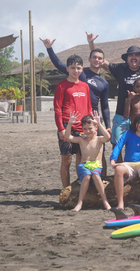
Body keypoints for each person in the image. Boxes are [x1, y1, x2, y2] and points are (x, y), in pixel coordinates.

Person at [87, 28, 140, 145]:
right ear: (127, 59)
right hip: (121, 115)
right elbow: (99, 60)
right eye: (130, 55)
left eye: (136, 55)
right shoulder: (120, 69)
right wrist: (91, 43)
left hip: (139, 117)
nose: (133, 57)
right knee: (116, 145)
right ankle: (119, 164)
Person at [40, 35, 111, 176]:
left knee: (92, 157)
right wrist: (49, 49)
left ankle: (93, 184)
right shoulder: (82, 75)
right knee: (68, 160)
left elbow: (105, 106)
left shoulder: (103, 82)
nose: (76, 70)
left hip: (90, 121)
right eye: (94, 57)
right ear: (89, 60)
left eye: (100, 58)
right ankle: (70, 189)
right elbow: (59, 64)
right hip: (70, 123)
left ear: (103, 61)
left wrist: (106, 124)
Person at [53, 54, 92, 188]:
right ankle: (66, 189)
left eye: (78, 68)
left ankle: (80, 187)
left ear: (82, 69)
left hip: (82, 128)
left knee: (81, 159)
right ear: (68, 69)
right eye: (73, 68)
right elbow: (57, 109)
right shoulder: (61, 86)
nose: (76, 71)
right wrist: (61, 129)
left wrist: (91, 126)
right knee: (66, 160)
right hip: (67, 126)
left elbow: (89, 108)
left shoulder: (85, 86)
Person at [110, 113, 140, 209]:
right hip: (128, 165)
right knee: (119, 169)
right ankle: (120, 203)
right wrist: (113, 160)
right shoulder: (128, 134)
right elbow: (118, 146)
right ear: (135, 123)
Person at [64, 111, 111, 212]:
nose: (87, 131)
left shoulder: (99, 139)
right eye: (84, 129)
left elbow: (108, 137)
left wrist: (99, 123)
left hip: (96, 165)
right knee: (87, 176)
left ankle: (105, 200)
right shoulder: (82, 140)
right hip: (84, 165)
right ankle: (79, 202)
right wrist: (70, 124)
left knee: (95, 176)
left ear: (95, 128)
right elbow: (68, 137)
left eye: (90, 128)